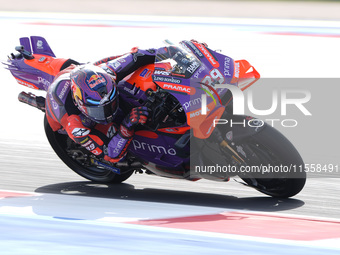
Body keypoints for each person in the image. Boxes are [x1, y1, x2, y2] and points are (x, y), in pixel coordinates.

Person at [45, 46, 166, 163]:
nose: (107, 114)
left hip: (81, 72)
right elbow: (109, 154)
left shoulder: (109, 72)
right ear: (81, 104)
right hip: (62, 120)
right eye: (98, 110)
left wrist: (170, 53)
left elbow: (139, 55)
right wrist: (126, 125)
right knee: (113, 132)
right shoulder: (75, 126)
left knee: (129, 64)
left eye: (111, 104)